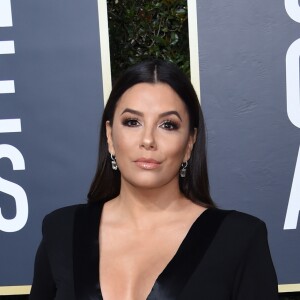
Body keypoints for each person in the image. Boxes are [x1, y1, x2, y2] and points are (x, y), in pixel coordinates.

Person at [29, 60, 278, 300]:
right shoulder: (60, 231)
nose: (148, 140)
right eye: (132, 122)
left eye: (168, 125)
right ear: (110, 136)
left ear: (190, 143)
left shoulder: (239, 239)